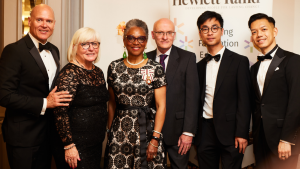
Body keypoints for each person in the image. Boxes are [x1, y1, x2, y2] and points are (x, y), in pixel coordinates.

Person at [0, 4, 72, 169]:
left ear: (54, 24)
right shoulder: (13, 51)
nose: (44, 25)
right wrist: (45, 103)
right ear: (29, 21)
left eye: (49, 21)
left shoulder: (54, 50)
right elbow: (4, 95)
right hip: (23, 138)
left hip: (48, 136)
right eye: (40, 20)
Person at [106, 19, 167, 169]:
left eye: (141, 38)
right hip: (120, 134)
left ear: (146, 42)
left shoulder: (154, 68)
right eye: (131, 37)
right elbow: (112, 103)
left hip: (147, 133)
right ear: (124, 40)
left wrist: (155, 139)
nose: (136, 42)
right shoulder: (114, 67)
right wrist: (110, 132)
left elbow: (161, 106)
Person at [194, 11, 252, 169]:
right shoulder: (198, 66)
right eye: (205, 29)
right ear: (200, 33)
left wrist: (242, 133)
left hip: (232, 132)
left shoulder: (239, 61)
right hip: (204, 132)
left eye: (214, 27)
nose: (210, 32)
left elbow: (244, 100)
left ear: (222, 30)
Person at [52, 27, 109, 169]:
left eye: (94, 44)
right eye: (85, 44)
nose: (91, 48)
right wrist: (69, 145)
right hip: (75, 146)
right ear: (74, 47)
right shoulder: (69, 74)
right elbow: (60, 113)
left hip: (95, 144)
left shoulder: (98, 72)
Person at [249, 13, 300, 169]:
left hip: (283, 139)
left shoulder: (293, 60)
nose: (259, 35)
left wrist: (287, 139)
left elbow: (296, 102)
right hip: (260, 138)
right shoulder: (254, 68)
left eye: (263, 29)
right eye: (254, 32)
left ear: (275, 31)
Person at [147, 18, 199, 169]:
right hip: (150, 132)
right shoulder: (145, 59)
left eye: (169, 33)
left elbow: (192, 98)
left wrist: (188, 132)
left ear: (174, 35)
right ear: (153, 35)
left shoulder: (188, 58)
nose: (165, 37)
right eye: (160, 33)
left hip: (178, 132)